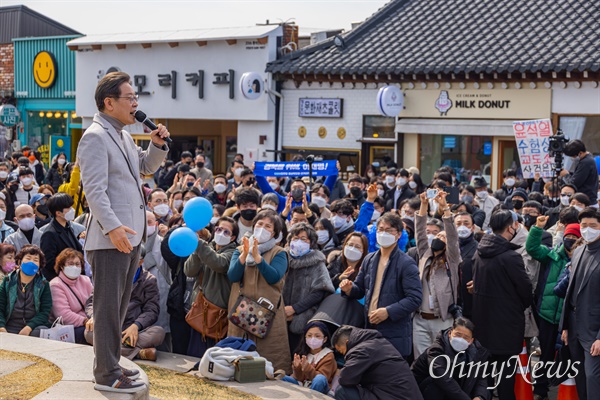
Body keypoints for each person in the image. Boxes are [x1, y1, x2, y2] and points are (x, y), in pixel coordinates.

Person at [77, 71, 169, 393]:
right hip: (110, 239)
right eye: (130, 98)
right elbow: (95, 191)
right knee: (106, 309)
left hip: (130, 238)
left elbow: (144, 167)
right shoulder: (95, 136)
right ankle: (105, 373)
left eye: (136, 98)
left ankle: (112, 364)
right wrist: (113, 227)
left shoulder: (125, 136)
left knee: (117, 308)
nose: (135, 104)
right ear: (109, 102)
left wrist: (156, 146)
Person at [340, 212, 422, 357]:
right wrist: (349, 288)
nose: (384, 233)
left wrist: (388, 312)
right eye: (381, 230)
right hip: (370, 326)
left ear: (398, 235)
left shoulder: (406, 263)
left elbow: (415, 298)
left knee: (389, 374)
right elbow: (360, 289)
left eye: (389, 230)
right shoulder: (369, 259)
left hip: (394, 332)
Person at [470, 209, 532, 400]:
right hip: (507, 325)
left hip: (483, 323)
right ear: (510, 227)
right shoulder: (511, 257)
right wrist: (516, 306)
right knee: (506, 378)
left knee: (486, 377)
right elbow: (525, 290)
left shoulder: (479, 252)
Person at [227, 210, 291, 373]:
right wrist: (244, 256)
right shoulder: (240, 249)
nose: (262, 228)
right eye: (260, 224)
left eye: (268, 226)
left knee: (270, 356)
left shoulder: (279, 252)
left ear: (275, 233)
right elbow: (233, 275)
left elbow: (274, 277)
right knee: (238, 352)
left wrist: (258, 259)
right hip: (241, 311)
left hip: (267, 312)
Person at [527, 218, 581, 400]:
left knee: (568, 354)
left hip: (569, 318)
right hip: (548, 315)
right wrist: (537, 228)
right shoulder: (551, 255)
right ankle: (541, 388)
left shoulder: (582, 259)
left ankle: (566, 388)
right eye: (569, 235)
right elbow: (532, 248)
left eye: (575, 236)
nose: (571, 239)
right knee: (546, 352)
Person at [85, 245, 165, 363]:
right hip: (110, 324)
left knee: (158, 332)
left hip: (134, 329)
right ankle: (138, 353)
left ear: (140, 261)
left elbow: (152, 310)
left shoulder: (149, 280)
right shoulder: (109, 274)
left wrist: (136, 325)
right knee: (88, 332)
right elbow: (92, 301)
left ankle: (109, 350)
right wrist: (94, 316)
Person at [413, 191, 461, 358]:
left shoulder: (452, 259)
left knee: (441, 360)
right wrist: (424, 205)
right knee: (421, 361)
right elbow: (419, 232)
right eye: (436, 235)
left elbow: (452, 235)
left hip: (442, 319)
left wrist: (445, 209)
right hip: (420, 319)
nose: (439, 237)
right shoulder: (425, 254)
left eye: (443, 236)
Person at [559, 208, 600, 400]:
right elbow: (571, 291)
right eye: (584, 226)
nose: (588, 230)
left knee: (593, 376)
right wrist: (566, 325)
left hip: (594, 329)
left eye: (593, 226)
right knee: (580, 374)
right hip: (574, 324)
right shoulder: (578, 251)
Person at [184, 216, 237, 358]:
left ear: (233, 238)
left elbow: (219, 263)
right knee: (194, 352)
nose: (221, 233)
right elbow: (189, 270)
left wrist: (200, 244)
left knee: (211, 355)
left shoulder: (233, 253)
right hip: (200, 308)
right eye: (219, 229)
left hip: (218, 313)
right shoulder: (206, 247)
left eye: (226, 232)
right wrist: (197, 249)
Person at [332, 325, 423, 400]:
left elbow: (345, 378)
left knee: (342, 391)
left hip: (393, 396)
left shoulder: (360, 350)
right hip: (402, 395)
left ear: (347, 342)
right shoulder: (379, 342)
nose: (344, 356)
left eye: (341, 351)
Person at [283, 223, 335, 353]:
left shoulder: (317, 263)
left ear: (311, 242)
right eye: (295, 238)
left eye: (303, 239)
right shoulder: (282, 258)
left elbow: (320, 291)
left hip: (303, 317)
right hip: (280, 316)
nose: (299, 241)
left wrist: (295, 309)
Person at [411, 317, 490, 400]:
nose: (460, 339)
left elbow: (481, 379)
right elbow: (443, 378)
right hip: (426, 390)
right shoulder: (436, 350)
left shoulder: (476, 353)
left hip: (456, 392)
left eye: (466, 337)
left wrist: (479, 397)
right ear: (450, 333)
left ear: (471, 340)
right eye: (458, 335)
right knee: (436, 384)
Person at [0, 245, 51, 337]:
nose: (31, 262)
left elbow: (44, 312)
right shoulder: (8, 281)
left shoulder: (44, 284)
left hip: (32, 327)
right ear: (19, 262)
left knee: (40, 332)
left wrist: (29, 327)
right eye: (28, 258)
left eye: (35, 260)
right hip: (9, 325)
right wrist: (2, 327)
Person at [49, 248, 93, 344]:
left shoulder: (85, 280)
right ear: (61, 266)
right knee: (94, 335)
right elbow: (63, 315)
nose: (75, 267)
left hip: (90, 322)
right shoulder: (55, 284)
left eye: (77, 264)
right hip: (70, 327)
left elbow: (94, 302)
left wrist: (94, 318)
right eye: (70, 264)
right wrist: (85, 321)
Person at [143, 211, 171, 352]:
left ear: (156, 224)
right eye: (143, 221)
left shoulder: (164, 244)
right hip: (139, 297)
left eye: (149, 222)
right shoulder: (130, 243)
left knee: (162, 333)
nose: (146, 225)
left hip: (161, 293)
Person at [282, 321, 337, 395]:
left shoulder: (328, 355)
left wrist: (307, 368)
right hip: (304, 385)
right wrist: (297, 368)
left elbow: (322, 379)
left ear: (325, 339)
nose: (313, 339)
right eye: (309, 335)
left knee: (319, 378)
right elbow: (300, 378)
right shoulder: (304, 353)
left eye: (317, 336)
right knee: (282, 377)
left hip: (321, 389)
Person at [39, 193, 83, 282]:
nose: (72, 210)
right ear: (58, 213)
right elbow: (49, 262)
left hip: (73, 279)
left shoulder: (67, 227)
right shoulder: (49, 233)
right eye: (68, 208)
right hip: (59, 281)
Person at [561, 140, 599, 207]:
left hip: (586, 203)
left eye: (573, 156)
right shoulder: (587, 159)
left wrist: (566, 175)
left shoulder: (586, 163)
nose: (573, 158)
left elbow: (574, 183)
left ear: (580, 153)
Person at [454, 212, 477, 319]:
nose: (462, 226)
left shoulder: (479, 248)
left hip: (470, 301)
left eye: (466, 223)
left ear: (472, 227)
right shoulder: (446, 247)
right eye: (458, 223)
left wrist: (478, 281)